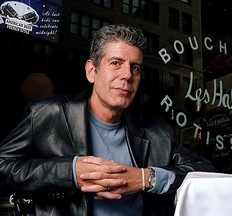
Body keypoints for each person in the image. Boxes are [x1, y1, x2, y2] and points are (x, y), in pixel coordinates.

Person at [0, 24, 217, 216]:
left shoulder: (158, 132)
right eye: (115, 63)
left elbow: (206, 173)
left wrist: (147, 178)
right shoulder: (48, 113)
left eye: (135, 67)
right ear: (92, 71)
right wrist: (70, 172)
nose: (127, 75)